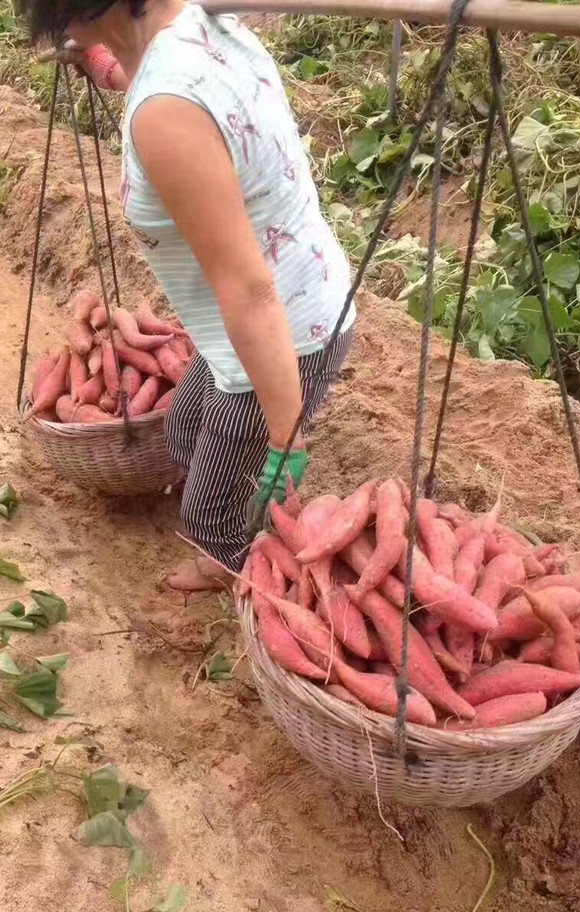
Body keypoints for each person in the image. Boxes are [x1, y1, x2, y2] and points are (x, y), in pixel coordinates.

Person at [20, 0, 356, 590]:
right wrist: (106, 62)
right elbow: (165, 83)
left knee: (209, 510)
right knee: (182, 429)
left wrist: (286, 430)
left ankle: (239, 569)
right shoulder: (194, 23)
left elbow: (249, 290)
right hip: (274, 308)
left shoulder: (166, 113)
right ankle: (240, 496)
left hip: (282, 330)